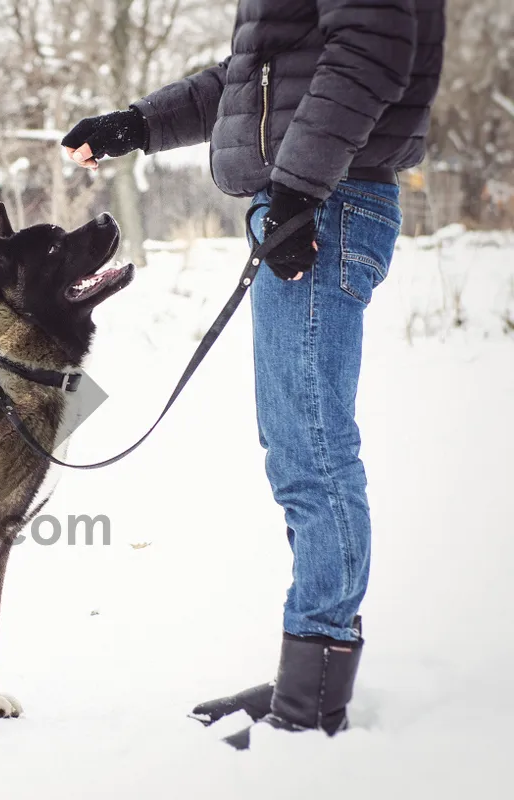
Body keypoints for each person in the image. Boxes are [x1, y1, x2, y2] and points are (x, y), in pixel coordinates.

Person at [61, 0, 444, 749]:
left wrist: (301, 188)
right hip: (313, 196)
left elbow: (371, 46)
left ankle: (314, 699)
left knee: (313, 449)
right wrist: (138, 124)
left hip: (327, 201)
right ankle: (310, 677)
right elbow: (255, 81)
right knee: (297, 444)